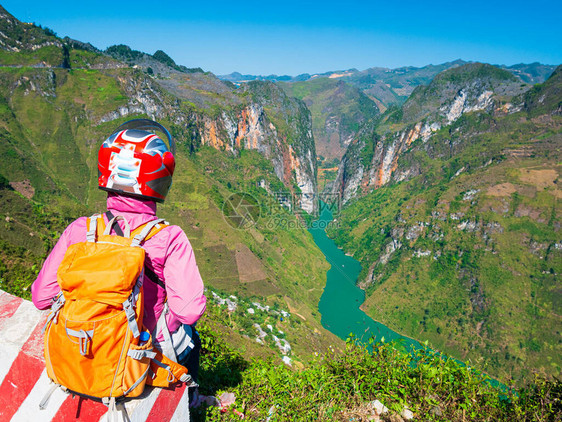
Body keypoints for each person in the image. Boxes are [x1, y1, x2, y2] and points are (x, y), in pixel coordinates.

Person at [31, 119, 206, 382]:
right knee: (193, 338)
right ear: (161, 178)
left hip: (87, 340)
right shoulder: (170, 238)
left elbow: (41, 298)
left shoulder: (80, 229)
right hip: (143, 349)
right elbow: (189, 311)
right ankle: (191, 399)